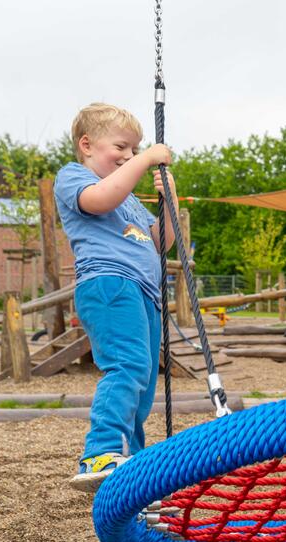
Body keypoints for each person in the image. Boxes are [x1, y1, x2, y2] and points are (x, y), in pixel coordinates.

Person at [55, 102, 177, 492]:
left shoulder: (130, 202)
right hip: (110, 283)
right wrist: (143, 163)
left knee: (141, 381)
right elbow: (98, 200)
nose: (129, 156)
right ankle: (101, 450)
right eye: (122, 147)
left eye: (135, 149)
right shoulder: (74, 178)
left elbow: (163, 243)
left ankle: (129, 467)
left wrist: (169, 200)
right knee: (126, 367)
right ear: (87, 144)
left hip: (144, 293)